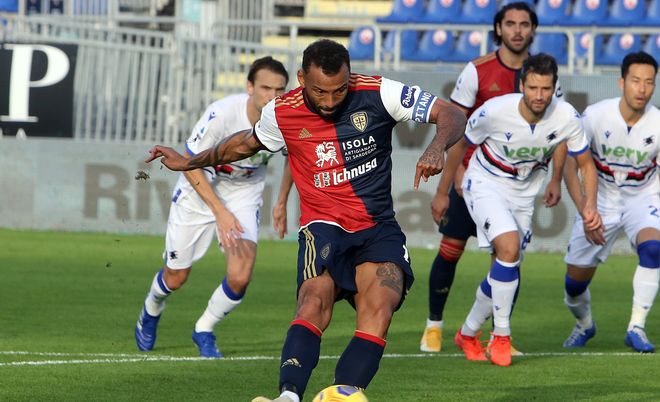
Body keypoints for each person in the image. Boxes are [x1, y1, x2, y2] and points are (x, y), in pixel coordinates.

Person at [145, 39, 466, 402]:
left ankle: (343, 393)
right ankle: (288, 397)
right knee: (313, 302)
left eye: (339, 90)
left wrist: (438, 144)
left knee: (381, 304)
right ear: (301, 79)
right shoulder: (282, 112)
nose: (330, 101)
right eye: (320, 92)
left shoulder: (380, 92)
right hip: (323, 226)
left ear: (350, 77)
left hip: (377, 227)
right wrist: (189, 161)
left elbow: (452, 114)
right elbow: (245, 145)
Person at [420, 1, 565, 355]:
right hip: (472, 177)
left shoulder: (543, 77)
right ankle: (434, 326)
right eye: (510, 23)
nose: (518, 30)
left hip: (516, 183)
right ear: (498, 29)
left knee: (507, 256)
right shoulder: (477, 71)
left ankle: (495, 335)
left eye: (524, 24)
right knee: (450, 251)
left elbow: (559, 133)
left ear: (533, 30)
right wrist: (443, 188)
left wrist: (555, 178)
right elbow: (455, 126)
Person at [447, 53, 602, 366]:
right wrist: (445, 189)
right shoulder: (494, 111)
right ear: (522, 85)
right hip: (486, 182)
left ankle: (467, 332)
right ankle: (501, 336)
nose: (539, 95)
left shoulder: (567, 117)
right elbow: (460, 144)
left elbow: (584, 164)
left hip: (524, 191)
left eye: (545, 88)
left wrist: (588, 205)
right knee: (509, 247)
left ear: (554, 87)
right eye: (533, 87)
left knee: (506, 265)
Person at [133, 56, 289, 358]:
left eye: (279, 90)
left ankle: (204, 329)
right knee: (176, 277)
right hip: (200, 188)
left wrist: (281, 201)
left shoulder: (286, 116)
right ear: (249, 87)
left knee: (240, 276)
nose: (273, 96)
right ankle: (152, 307)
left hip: (244, 191)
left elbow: (295, 157)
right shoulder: (222, 114)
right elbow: (189, 164)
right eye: (266, 88)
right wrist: (220, 212)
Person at [561, 52, 660, 353]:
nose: (642, 88)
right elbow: (570, 165)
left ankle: (636, 327)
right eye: (636, 81)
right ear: (621, 82)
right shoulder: (595, 116)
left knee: (651, 249)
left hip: (643, 198)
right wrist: (586, 208)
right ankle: (584, 323)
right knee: (574, 286)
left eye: (649, 82)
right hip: (601, 199)